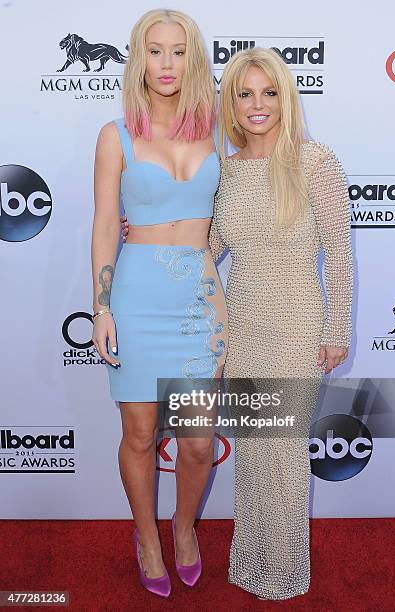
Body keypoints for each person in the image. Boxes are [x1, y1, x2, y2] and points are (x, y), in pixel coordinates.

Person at [91, 9, 227, 599]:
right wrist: (100, 307)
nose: (166, 64)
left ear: (193, 57)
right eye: (155, 50)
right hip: (137, 296)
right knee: (140, 432)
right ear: (138, 58)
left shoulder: (221, 130)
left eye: (178, 51)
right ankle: (147, 537)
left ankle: (184, 527)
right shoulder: (114, 134)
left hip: (200, 300)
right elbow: (102, 226)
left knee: (198, 439)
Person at [209, 47, 353, 600]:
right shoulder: (225, 171)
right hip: (240, 326)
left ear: (286, 96)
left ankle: (286, 571)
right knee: (251, 447)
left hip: (296, 324)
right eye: (244, 93)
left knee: (283, 448)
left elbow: (339, 251)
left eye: (269, 92)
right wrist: (146, 233)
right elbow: (208, 248)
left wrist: (336, 329)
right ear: (231, 102)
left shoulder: (315, 161)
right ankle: (250, 561)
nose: (257, 104)